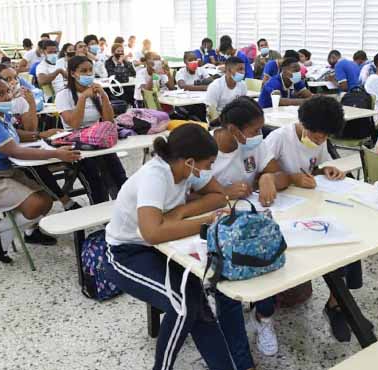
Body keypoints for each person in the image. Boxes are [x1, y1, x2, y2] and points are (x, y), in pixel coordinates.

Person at [104, 124, 257, 370]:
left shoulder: (187, 169)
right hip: (126, 253)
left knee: (198, 304)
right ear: (189, 161)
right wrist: (205, 222)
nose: (209, 170)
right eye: (207, 164)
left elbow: (219, 196)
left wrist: (182, 210)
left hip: (165, 247)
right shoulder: (155, 175)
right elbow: (152, 233)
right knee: (183, 305)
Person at [0, 73, 80, 263]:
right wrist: (56, 153)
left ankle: (3, 228)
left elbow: (14, 134)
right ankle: (3, 231)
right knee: (36, 204)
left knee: (46, 199)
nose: (7, 97)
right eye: (0, 94)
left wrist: (40, 135)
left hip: (2, 173)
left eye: (7, 91)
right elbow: (15, 151)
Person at [265, 96, 362, 343]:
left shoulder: (320, 138)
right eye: (317, 136)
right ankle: (337, 301)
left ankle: (336, 302)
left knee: (348, 238)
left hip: (309, 205)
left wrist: (326, 170)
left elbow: (318, 165)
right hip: (282, 210)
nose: (320, 141)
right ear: (303, 123)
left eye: (325, 137)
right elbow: (262, 177)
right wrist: (293, 177)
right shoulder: (279, 139)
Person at [210, 96, 289, 356]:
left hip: (250, 219)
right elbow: (187, 195)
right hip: (216, 226)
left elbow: (278, 174)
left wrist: (268, 177)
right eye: (255, 130)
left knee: (266, 255)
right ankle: (232, 337)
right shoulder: (206, 148)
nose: (259, 135)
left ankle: (264, 317)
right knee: (228, 279)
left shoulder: (255, 145)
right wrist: (224, 192)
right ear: (233, 130)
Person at [0, 63, 82, 213]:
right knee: (35, 165)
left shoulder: (15, 100)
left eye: (15, 77)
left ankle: (60, 199)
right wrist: (40, 136)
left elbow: (29, 129)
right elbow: (13, 137)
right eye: (7, 79)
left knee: (51, 153)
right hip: (1, 160)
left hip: (15, 147)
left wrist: (31, 103)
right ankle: (64, 200)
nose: (14, 82)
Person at [56, 56, 128, 204]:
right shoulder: (64, 95)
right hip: (77, 143)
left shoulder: (96, 92)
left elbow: (108, 121)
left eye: (90, 70)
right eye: (83, 71)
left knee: (119, 176)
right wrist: (82, 98)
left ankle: (123, 209)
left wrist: (104, 96)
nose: (88, 74)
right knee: (96, 182)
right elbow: (74, 124)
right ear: (73, 73)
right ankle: (100, 217)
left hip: (98, 139)